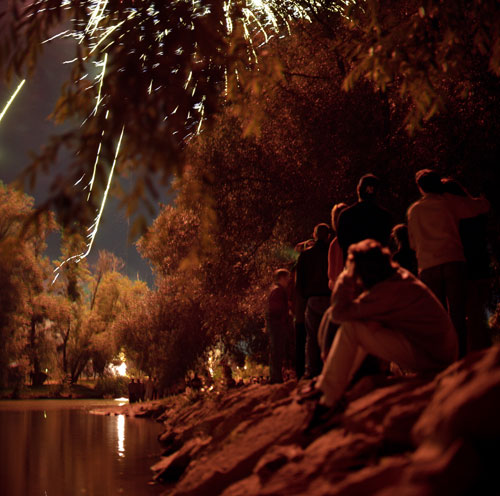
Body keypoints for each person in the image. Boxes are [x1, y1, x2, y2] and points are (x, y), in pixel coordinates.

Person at [315, 240, 458, 411]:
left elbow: (338, 314)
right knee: (365, 326)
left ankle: (328, 399)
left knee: (352, 329)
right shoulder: (397, 278)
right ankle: (336, 385)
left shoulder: (386, 292)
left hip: (432, 356)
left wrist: (346, 277)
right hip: (438, 350)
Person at [407, 169, 490, 357]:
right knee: (457, 315)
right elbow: (478, 207)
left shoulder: (415, 210)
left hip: (428, 265)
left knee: (437, 316)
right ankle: (460, 356)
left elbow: (412, 243)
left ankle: (442, 357)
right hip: (453, 260)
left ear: (420, 188)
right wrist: (483, 198)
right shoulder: (450, 203)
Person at [442, 177, 492, 352]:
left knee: (467, 314)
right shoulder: (476, 210)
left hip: (465, 266)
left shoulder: (454, 214)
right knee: (479, 313)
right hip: (482, 264)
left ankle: (474, 355)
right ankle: (485, 351)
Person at [296, 224, 331, 378]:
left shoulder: (305, 255)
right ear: (328, 236)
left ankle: (311, 370)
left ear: (314, 235)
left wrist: (305, 296)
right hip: (330, 297)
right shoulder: (332, 252)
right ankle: (330, 368)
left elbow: (300, 281)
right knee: (330, 335)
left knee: (311, 337)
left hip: (313, 298)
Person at [337, 174, 393, 261]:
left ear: (358, 189)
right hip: (377, 267)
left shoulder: (346, 215)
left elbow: (342, 244)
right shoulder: (385, 216)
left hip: (354, 267)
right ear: (377, 193)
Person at [266, 269, 293, 383]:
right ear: (281, 278)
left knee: (277, 351)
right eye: (287, 277)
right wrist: (287, 313)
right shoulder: (278, 291)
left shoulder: (276, 290)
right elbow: (275, 309)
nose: (289, 279)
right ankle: (276, 378)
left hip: (276, 325)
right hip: (277, 326)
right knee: (277, 351)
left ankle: (276, 377)